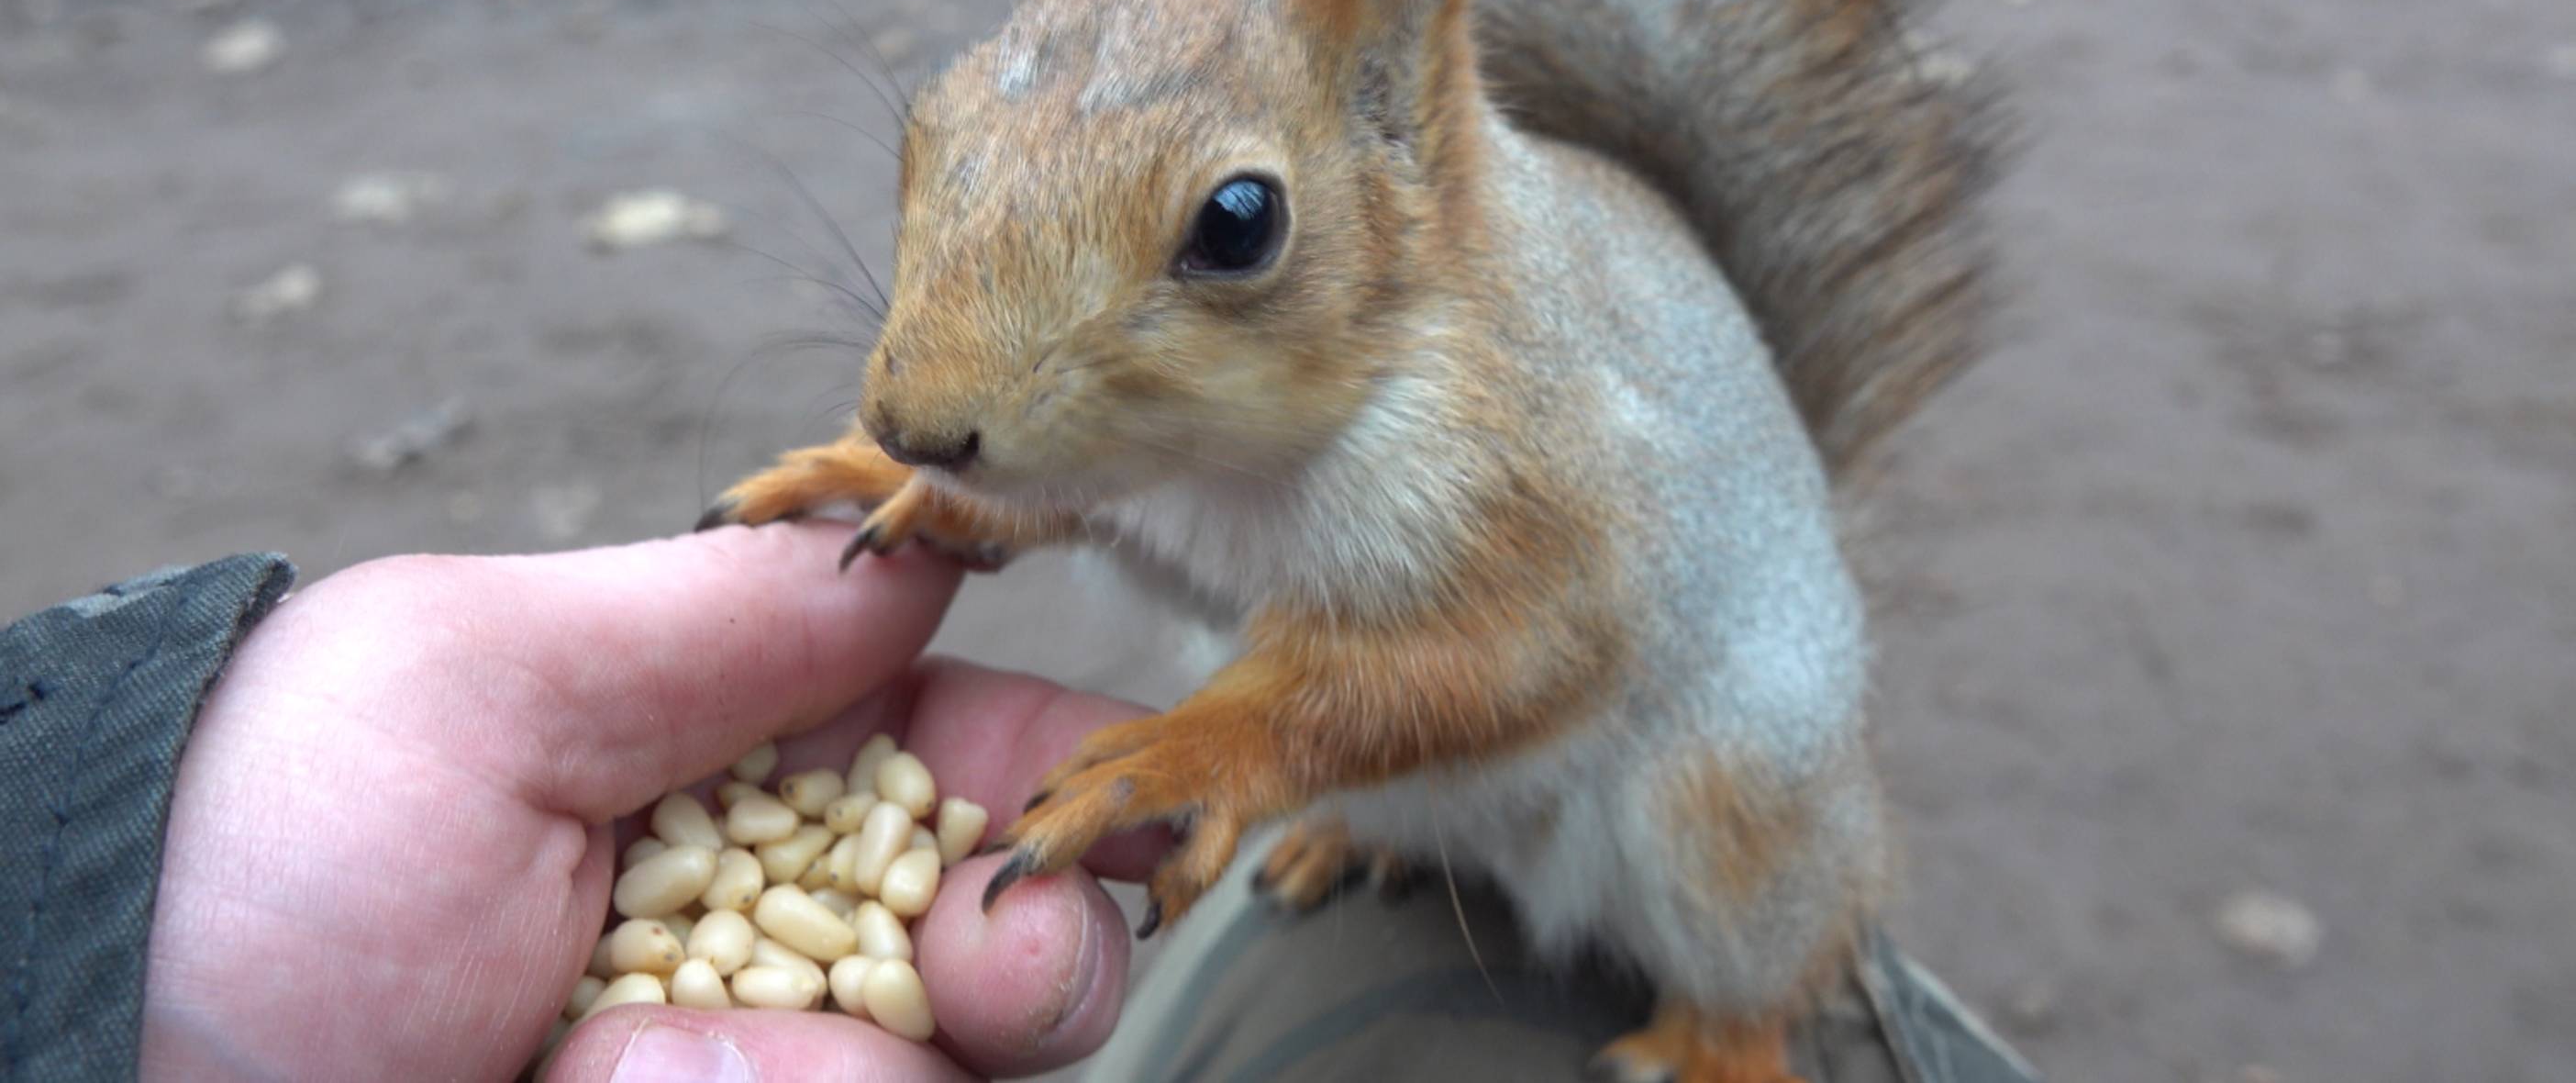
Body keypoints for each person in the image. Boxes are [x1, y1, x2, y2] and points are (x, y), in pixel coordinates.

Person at [0, 528, 2039, 1082]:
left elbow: (1525, 648)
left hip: (1655, 747)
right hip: (1425, 792)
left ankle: (1755, 1026)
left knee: (1728, 851)